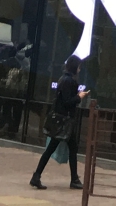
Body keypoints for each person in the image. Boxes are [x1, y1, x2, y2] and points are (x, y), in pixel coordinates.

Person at [30, 55, 84, 190]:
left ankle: (37, 175)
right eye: (78, 66)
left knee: (56, 148)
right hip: (64, 122)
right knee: (69, 148)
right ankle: (74, 179)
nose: (79, 69)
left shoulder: (63, 79)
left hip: (61, 121)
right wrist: (79, 97)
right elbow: (67, 102)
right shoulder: (69, 81)